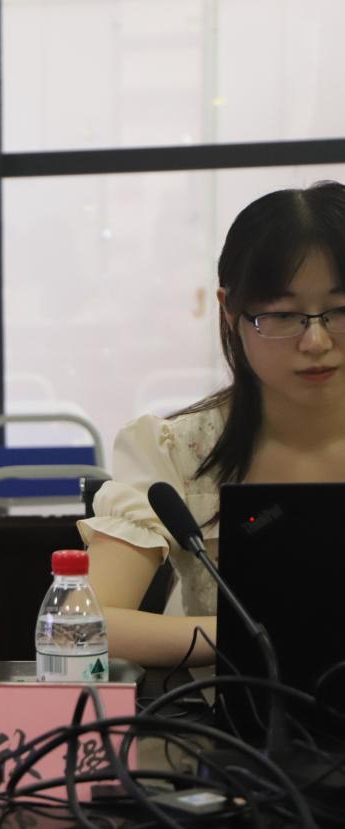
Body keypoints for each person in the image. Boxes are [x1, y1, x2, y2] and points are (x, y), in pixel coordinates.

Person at [81, 180, 345, 668]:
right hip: (229, 715)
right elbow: (84, 622)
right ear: (229, 310)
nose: (316, 342)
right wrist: (260, 636)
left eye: (340, 310)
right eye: (283, 315)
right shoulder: (176, 450)